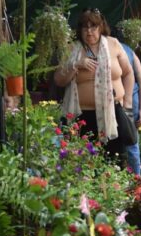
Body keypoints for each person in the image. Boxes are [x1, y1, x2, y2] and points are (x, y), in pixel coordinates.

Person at [54, 8, 134, 157]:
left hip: (113, 111)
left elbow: (128, 73)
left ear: (101, 27)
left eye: (93, 27)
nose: (89, 32)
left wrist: (128, 102)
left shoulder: (113, 44)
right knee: (83, 160)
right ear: (80, 30)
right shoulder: (71, 48)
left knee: (115, 158)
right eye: (85, 28)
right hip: (82, 116)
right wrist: (76, 64)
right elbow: (59, 80)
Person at [119, 39, 141, 174]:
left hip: (119, 100)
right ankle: (137, 179)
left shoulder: (105, 47)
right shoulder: (129, 50)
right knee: (132, 141)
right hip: (132, 101)